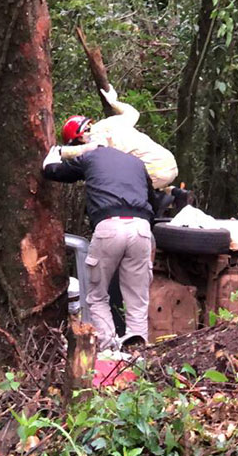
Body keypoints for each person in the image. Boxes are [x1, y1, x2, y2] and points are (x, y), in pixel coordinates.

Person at [42, 142, 155, 350]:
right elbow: (153, 199)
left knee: (97, 295)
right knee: (137, 299)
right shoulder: (136, 162)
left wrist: (52, 157)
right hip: (141, 228)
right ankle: (138, 355)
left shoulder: (90, 157)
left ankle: (108, 349)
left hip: (109, 226)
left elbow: (55, 172)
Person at [58, 85, 178, 190]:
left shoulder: (96, 136)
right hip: (169, 163)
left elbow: (91, 148)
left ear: (79, 138)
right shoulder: (111, 122)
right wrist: (114, 102)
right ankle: (170, 195)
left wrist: (60, 152)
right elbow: (133, 113)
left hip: (154, 169)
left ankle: (162, 200)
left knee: (117, 189)